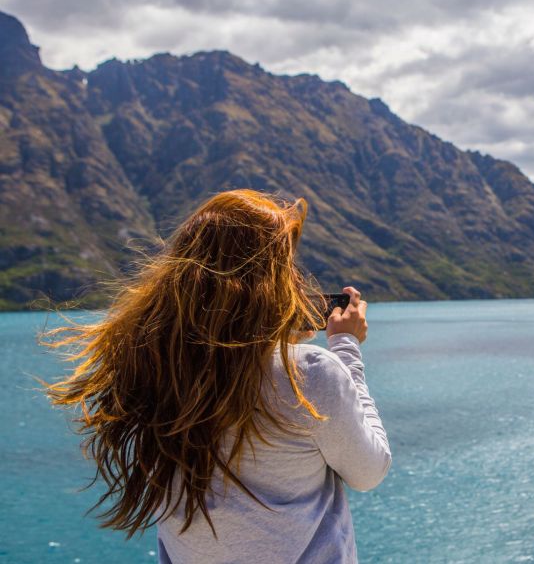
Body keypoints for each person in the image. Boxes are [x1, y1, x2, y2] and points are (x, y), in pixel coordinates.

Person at [39, 189, 392, 563]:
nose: (294, 278)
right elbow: (370, 470)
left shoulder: (152, 367)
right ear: (266, 281)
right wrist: (346, 347)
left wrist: (276, 337)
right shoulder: (312, 375)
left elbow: (228, 360)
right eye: (285, 266)